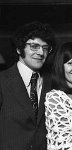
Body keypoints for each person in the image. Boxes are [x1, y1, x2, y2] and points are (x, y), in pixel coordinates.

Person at [0, 21, 55, 150]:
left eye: (45, 47)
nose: (41, 52)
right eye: (34, 46)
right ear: (19, 49)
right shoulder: (2, 81)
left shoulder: (52, 82)